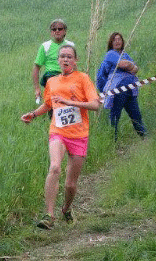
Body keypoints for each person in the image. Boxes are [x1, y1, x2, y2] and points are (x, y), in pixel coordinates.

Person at [22, 45, 100, 229]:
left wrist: (70, 102)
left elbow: (95, 105)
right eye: (62, 56)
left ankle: (66, 208)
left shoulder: (83, 78)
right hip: (58, 131)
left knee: (70, 184)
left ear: (75, 61)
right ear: (57, 60)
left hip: (79, 134)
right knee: (55, 167)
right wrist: (33, 114)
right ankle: (49, 215)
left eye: (69, 57)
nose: (65, 59)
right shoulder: (52, 82)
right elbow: (48, 105)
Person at [96, 32, 146, 141]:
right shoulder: (110, 54)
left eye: (119, 39)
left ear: (123, 41)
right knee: (115, 116)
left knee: (136, 114)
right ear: (111, 43)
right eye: (114, 40)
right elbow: (125, 65)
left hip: (130, 90)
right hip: (117, 90)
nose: (117, 41)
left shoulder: (125, 54)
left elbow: (135, 69)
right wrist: (130, 66)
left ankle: (144, 137)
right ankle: (112, 141)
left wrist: (130, 66)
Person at [32, 19, 75, 103]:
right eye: (54, 29)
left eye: (60, 29)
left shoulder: (70, 45)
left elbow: (74, 65)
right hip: (51, 76)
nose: (57, 31)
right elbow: (36, 67)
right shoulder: (45, 46)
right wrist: (37, 89)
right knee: (54, 103)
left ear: (65, 31)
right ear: (51, 32)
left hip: (67, 76)